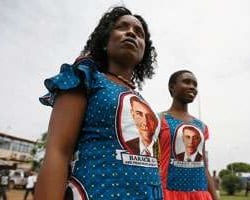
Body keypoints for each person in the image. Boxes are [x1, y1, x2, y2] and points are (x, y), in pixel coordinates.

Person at [35, 6, 162, 200]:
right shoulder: (85, 77)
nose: (131, 33)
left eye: (139, 33)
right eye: (122, 27)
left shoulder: (141, 100)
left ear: (144, 51)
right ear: (104, 41)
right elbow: (58, 151)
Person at [159, 70, 218, 200]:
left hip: (200, 194)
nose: (192, 87)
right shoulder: (158, 119)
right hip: (168, 193)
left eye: (195, 84)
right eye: (186, 82)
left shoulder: (201, 126)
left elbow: (204, 165)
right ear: (172, 87)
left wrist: (215, 196)